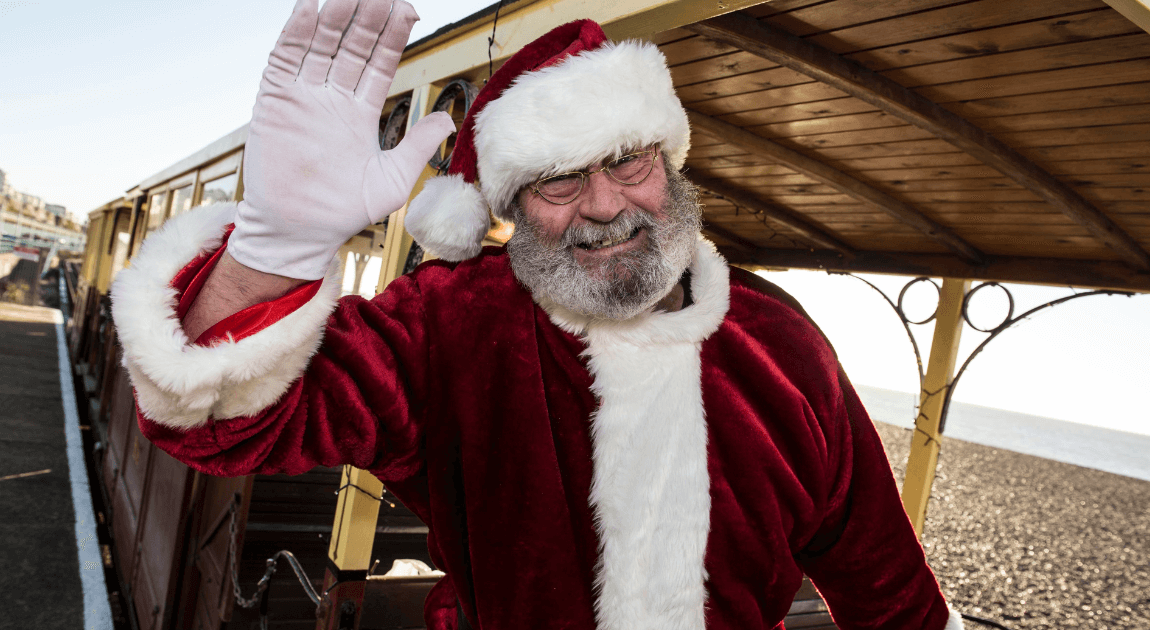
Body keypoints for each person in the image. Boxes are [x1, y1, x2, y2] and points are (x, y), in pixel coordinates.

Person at [111, 1, 964, 628]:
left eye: (627, 161)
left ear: (668, 165)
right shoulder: (454, 326)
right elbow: (216, 423)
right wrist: (275, 244)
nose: (604, 205)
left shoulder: (783, 347)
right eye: (559, 179)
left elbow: (890, 592)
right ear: (510, 208)